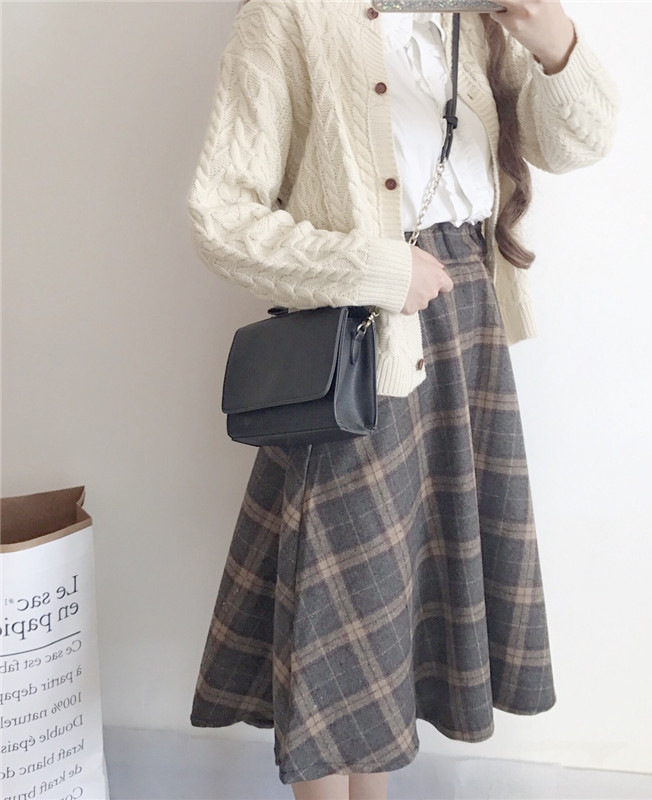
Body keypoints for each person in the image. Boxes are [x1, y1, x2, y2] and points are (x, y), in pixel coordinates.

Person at [186, 0, 620, 797]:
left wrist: (550, 36)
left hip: (467, 329)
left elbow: (579, 143)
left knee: (399, 602)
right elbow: (222, 218)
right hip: (362, 336)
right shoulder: (289, 15)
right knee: (345, 595)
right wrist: (381, 271)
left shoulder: (474, 18)